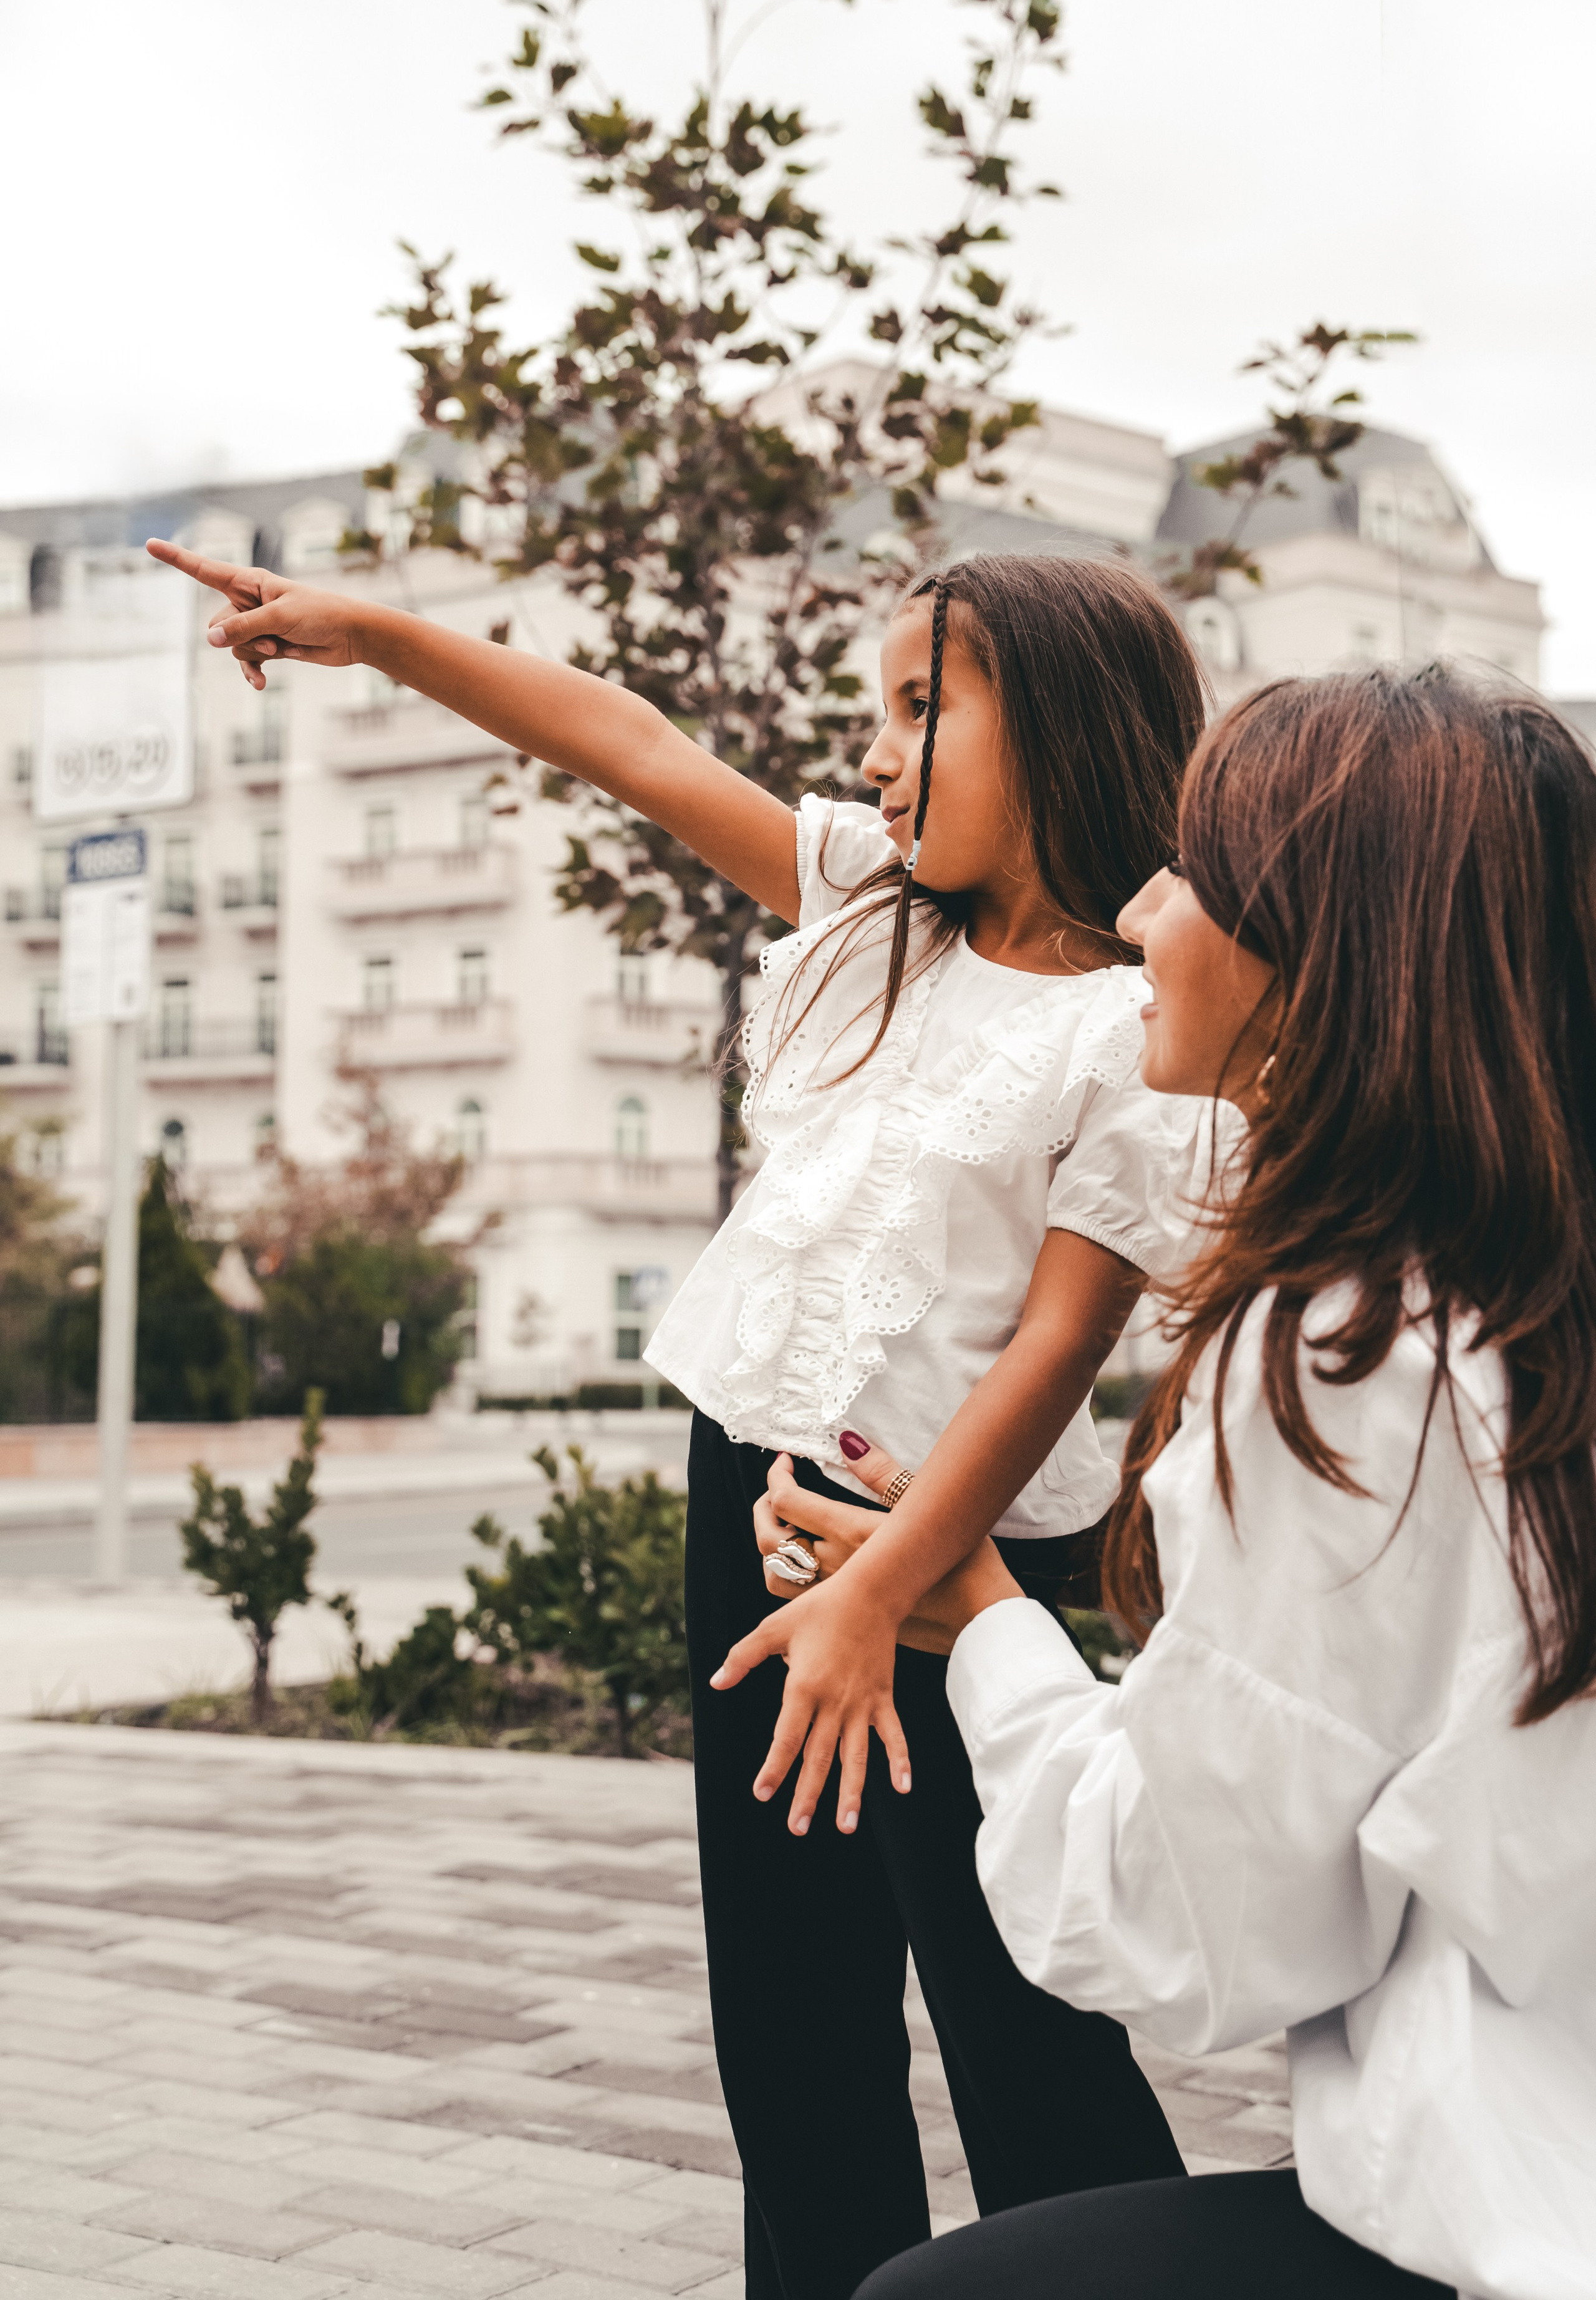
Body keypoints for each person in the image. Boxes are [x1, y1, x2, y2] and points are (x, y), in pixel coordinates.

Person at [151, 534, 1211, 2299]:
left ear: (1069, 729)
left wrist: (887, 1596)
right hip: (758, 1495)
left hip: (953, 1560)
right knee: (788, 2023)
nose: (872, 751)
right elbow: (623, 740)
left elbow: (1050, 1355)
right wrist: (376, 633)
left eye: (919, 708)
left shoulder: (1128, 1019)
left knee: (1023, 2015)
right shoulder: (871, 910)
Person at [810, 666, 1596, 2300]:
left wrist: (976, 1611)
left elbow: (1184, 1931)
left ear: (1318, 953)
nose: (1142, 906)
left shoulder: (1346, 1344)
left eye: (1190, 868)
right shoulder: (1524, 1299)